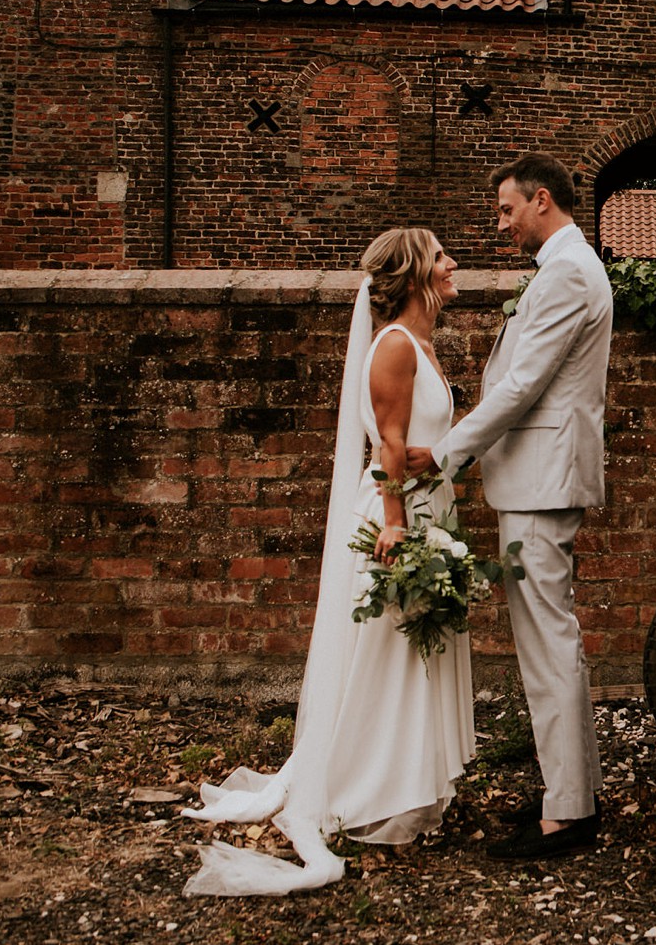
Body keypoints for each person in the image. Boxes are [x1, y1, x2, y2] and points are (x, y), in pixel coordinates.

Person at [179, 228, 473, 895]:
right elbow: (391, 445)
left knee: (413, 652)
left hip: (431, 513)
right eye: (441, 256)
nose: (454, 264)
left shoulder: (424, 343)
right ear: (415, 274)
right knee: (387, 654)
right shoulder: (394, 347)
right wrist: (397, 529)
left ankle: (407, 780)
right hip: (399, 521)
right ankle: (363, 788)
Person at [409, 152, 612, 859]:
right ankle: (573, 793)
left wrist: (442, 453)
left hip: (542, 478)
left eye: (507, 209)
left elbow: (522, 384)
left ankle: (568, 816)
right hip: (538, 475)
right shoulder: (565, 268)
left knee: (547, 645)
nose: (501, 223)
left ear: (542, 200)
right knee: (554, 642)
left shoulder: (568, 272)